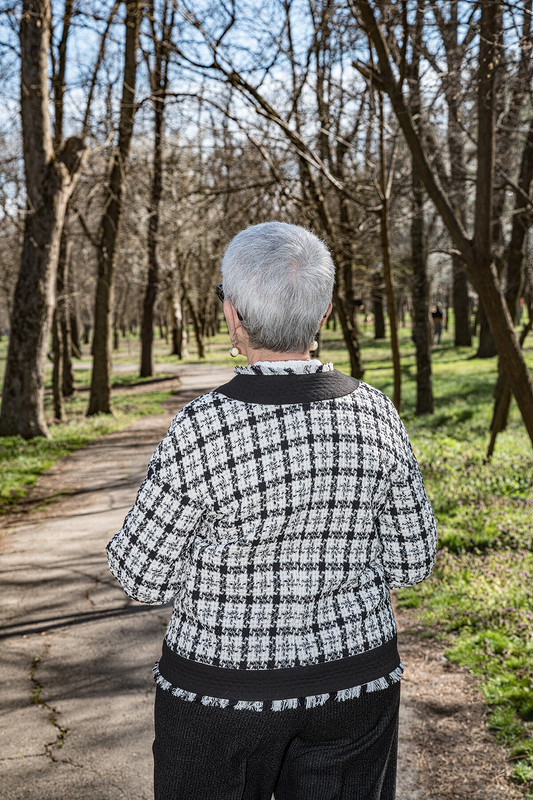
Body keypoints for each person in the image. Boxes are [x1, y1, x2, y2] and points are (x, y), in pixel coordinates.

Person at [107, 221, 437, 800]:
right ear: (325, 313)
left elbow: (141, 575)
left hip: (222, 694)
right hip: (356, 683)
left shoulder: (203, 428)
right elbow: (412, 562)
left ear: (233, 316)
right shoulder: (376, 415)